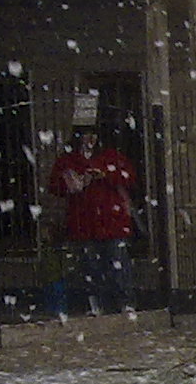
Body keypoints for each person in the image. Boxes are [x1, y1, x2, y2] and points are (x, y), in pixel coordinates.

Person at [48, 127, 138, 314]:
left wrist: (106, 175)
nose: (91, 139)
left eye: (94, 135)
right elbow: (55, 186)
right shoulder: (68, 161)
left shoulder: (111, 156)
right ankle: (96, 304)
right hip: (85, 224)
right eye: (86, 135)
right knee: (90, 267)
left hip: (111, 222)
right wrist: (72, 181)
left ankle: (124, 302)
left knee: (117, 264)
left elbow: (129, 177)